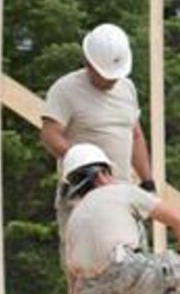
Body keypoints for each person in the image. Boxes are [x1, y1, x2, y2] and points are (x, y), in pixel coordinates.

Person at [42, 23, 153, 252]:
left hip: (122, 192)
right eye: (105, 74)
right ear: (88, 62)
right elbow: (50, 135)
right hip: (82, 194)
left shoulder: (127, 88)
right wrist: (87, 163)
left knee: (133, 267)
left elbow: (136, 135)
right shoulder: (65, 90)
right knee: (87, 270)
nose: (112, 80)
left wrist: (147, 180)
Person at [59, 143, 180, 294]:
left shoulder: (73, 218)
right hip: (127, 279)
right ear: (100, 175)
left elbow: (73, 275)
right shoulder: (123, 192)